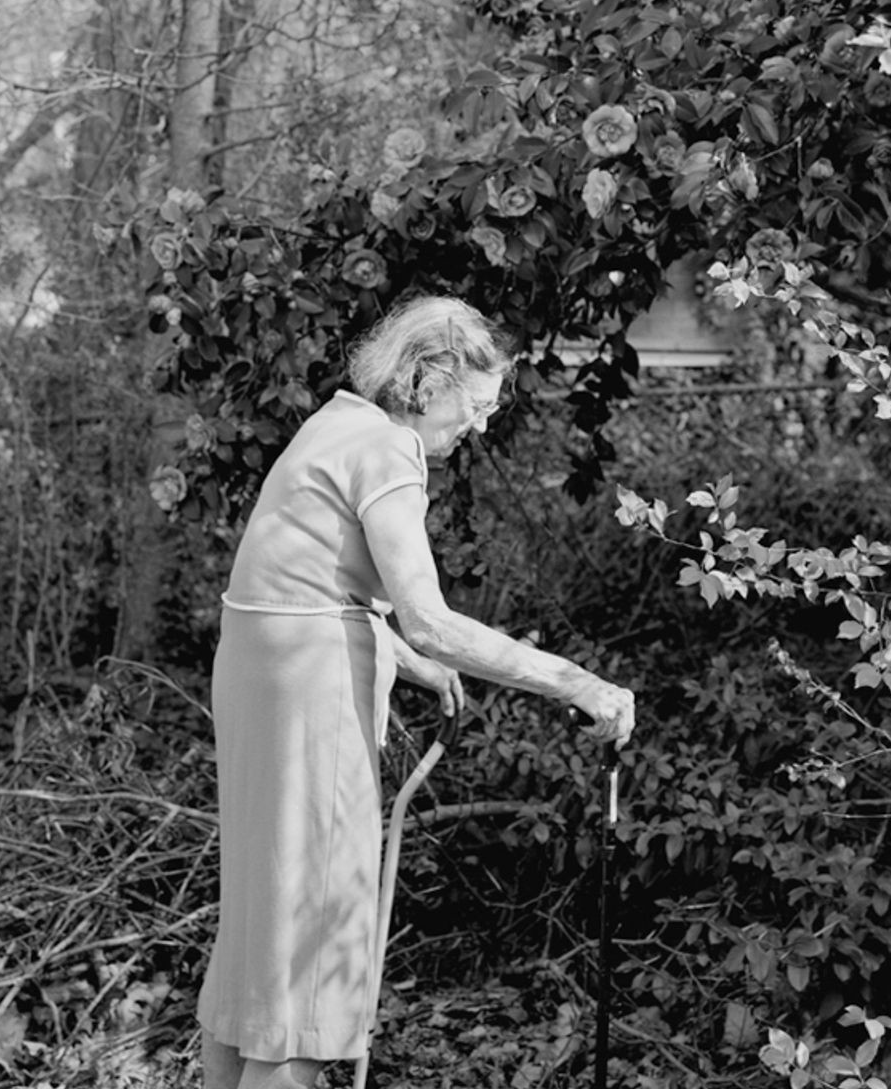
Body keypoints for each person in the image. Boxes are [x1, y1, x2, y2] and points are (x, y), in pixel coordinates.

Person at [197, 293, 636, 1089]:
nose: (479, 425)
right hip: (309, 694)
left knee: (262, 932)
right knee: (311, 943)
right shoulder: (388, 449)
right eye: (475, 404)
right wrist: (577, 682)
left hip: (262, 676)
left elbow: (306, 584)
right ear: (427, 378)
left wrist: (408, 659)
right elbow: (429, 618)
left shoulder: (334, 423)